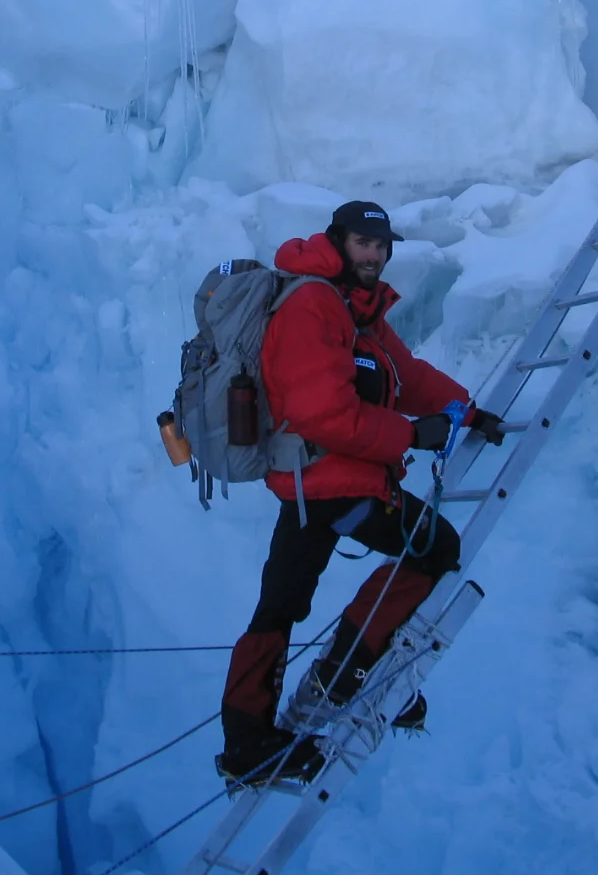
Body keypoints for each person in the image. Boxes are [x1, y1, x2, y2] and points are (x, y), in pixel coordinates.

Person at [216, 200, 505, 784]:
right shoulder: (312, 305)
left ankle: (248, 744)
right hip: (332, 481)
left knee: (278, 607)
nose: (375, 254)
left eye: (382, 245)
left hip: (308, 487)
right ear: (338, 241)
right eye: (363, 243)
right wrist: (409, 434)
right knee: (433, 549)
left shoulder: (355, 311)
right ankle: (346, 671)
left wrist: (466, 413)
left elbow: (410, 376)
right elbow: (324, 413)